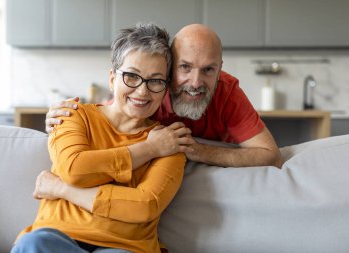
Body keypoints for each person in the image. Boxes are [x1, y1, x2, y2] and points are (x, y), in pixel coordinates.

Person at [11, 23, 194, 253]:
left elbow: (144, 206)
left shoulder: (169, 142)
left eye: (155, 81)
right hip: (56, 239)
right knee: (33, 244)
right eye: (131, 76)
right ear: (112, 79)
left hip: (125, 248)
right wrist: (148, 149)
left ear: (165, 89)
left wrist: (62, 189)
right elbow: (75, 169)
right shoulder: (73, 115)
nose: (142, 91)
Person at [46, 24, 282, 168]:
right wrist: (65, 121)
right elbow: (105, 129)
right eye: (185, 67)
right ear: (168, 68)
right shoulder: (148, 93)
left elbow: (270, 155)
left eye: (208, 69)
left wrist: (198, 151)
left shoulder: (227, 90)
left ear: (219, 68)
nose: (196, 82)